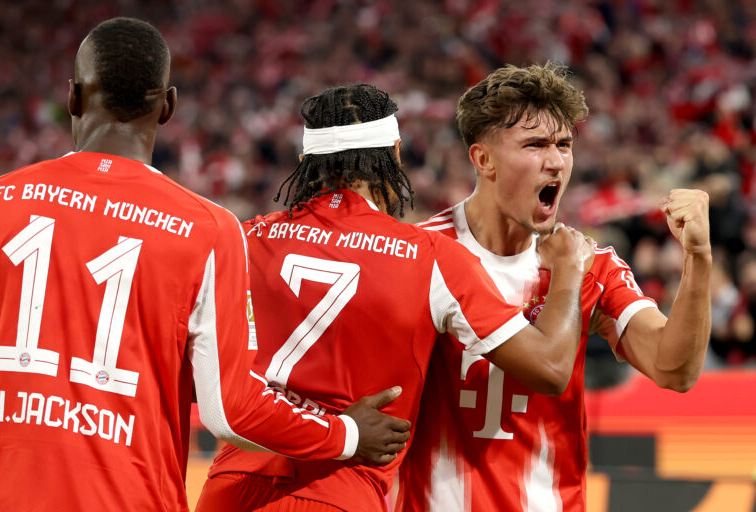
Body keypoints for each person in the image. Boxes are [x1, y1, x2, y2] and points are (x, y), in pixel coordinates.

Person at [0, 18, 411, 512]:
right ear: (167, 105)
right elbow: (230, 411)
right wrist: (345, 433)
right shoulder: (206, 228)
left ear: (73, 98)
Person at [196, 83, 595, 512]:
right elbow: (551, 368)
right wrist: (570, 270)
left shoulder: (246, 239)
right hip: (342, 489)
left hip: (231, 486)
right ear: (396, 153)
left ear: (305, 163)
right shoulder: (430, 256)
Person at [395, 63, 712, 512]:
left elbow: (674, 369)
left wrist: (698, 260)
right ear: (483, 159)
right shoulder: (417, 255)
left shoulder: (590, 263)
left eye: (564, 145)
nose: (556, 161)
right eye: (535, 145)